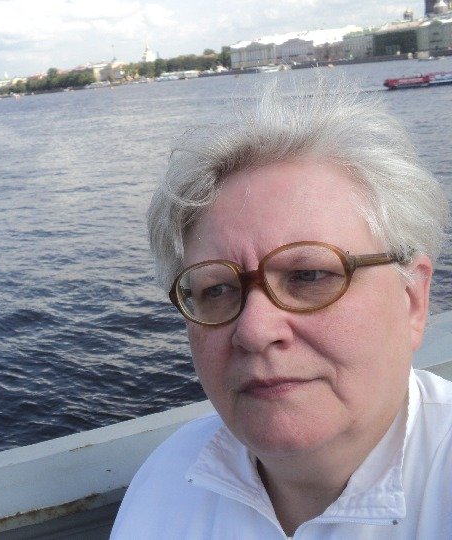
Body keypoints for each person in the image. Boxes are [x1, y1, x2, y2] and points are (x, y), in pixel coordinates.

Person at [111, 81, 452, 538]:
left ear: (412, 299)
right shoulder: (166, 484)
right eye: (217, 289)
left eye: (309, 275)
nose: (254, 330)